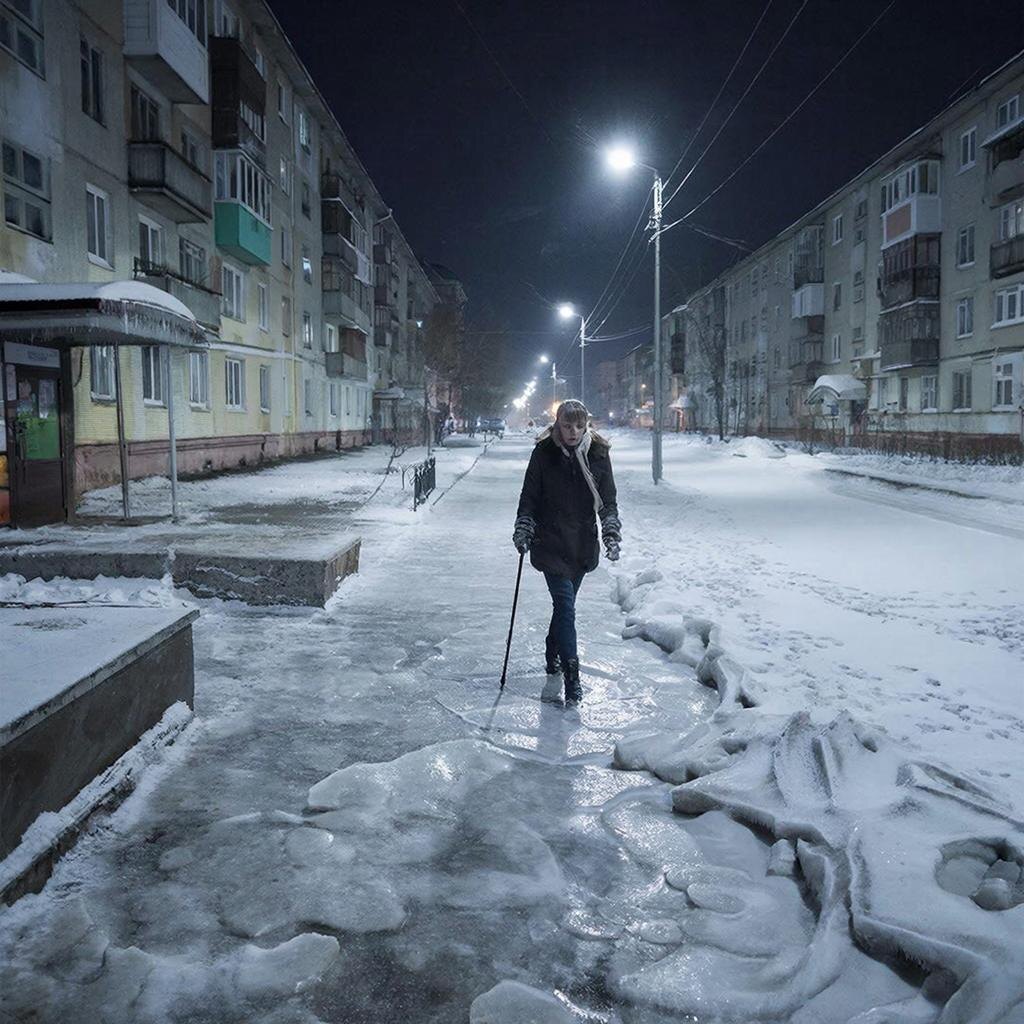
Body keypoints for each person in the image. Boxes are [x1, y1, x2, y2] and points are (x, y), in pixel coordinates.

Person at [512, 399, 621, 703]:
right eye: (567, 425)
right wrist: (524, 526)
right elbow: (529, 496)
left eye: (579, 425)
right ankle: (573, 676)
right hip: (551, 542)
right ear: (557, 425)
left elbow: (608, 499)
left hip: (582, 544)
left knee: (564, 609)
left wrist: (611, 531)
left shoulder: (599, 454)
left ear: (587, 425)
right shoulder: (544, 454)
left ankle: (552, 652)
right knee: (566, 607)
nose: (573, 432)